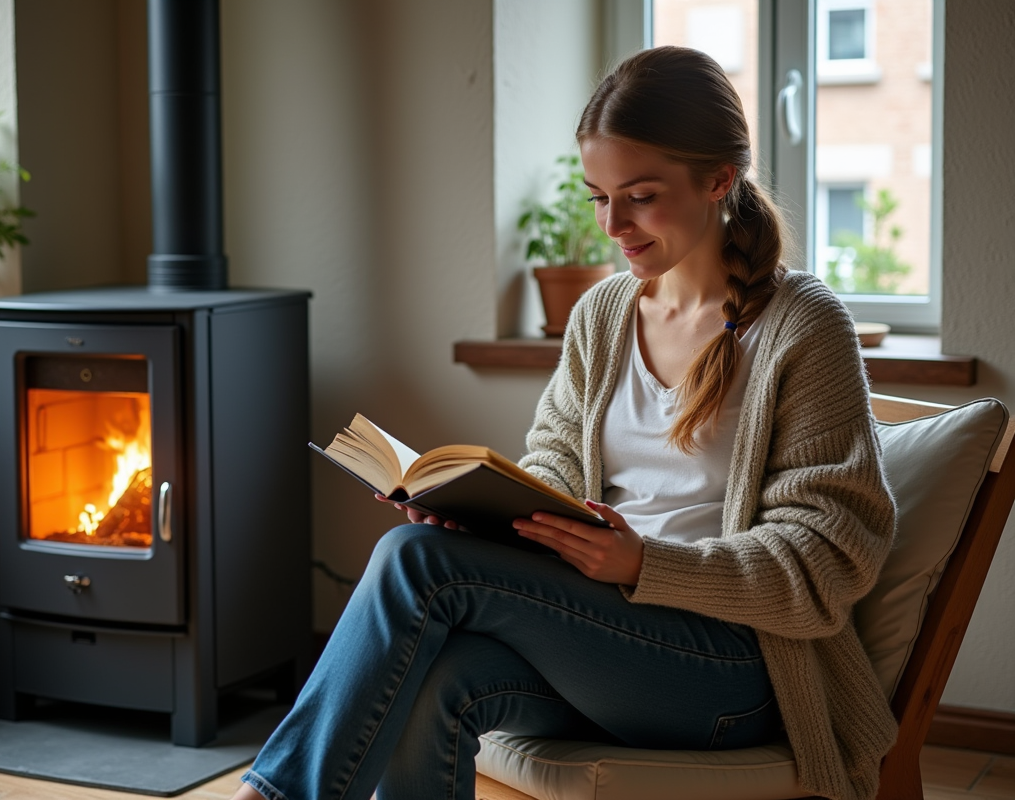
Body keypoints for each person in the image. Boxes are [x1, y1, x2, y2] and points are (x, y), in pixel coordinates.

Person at [233, 45, 897, 800]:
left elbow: (825, 566)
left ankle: (269, 796)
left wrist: (643, 563)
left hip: (730, 673)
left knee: (414, 562)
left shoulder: (804, 328)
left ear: (719, 180)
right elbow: (549, 471)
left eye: (641, 195)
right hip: (603, 638)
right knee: (432, 674)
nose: (613, 223)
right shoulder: (602, 315)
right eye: (598, 197)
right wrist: (474, 516)